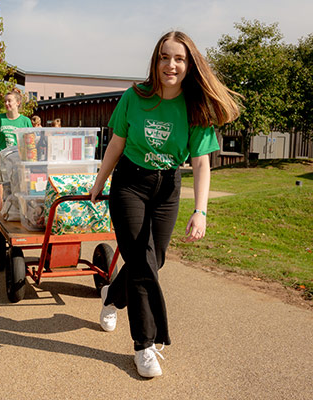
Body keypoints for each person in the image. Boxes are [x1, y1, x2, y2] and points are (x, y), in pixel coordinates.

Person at [89, 31, 240, 378]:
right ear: (155, 61)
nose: (171, 65)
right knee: (142, 262)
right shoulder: (135, 96)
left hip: (167, 187)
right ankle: (145, 345)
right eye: (164, 57)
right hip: (130, 183)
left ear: (189, 65)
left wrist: (200, 211)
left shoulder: (195, 106)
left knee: (154, 260)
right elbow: (117, 143)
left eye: (179, 59)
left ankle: (112, 295)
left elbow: (201, 163)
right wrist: (99, 182)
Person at [0, 89, 32, 210]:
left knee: (17, 194)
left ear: (18, 102)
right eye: (5, 101)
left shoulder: (25, 121)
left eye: (9, 101)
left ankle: (15, 216)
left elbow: (30, 142)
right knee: (1, 196)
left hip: (17, 162)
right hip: (0, 161)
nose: (7, 104)